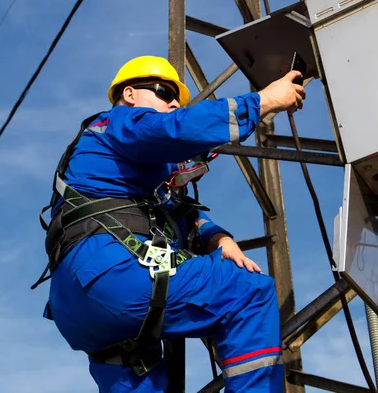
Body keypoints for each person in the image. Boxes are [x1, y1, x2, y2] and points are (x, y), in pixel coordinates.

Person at [38, 55, 305, 393]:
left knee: (139, 372)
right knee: (249, 291)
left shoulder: (117, 167)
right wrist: (264, 101)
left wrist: (219, 238)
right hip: (112, 274)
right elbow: (175, 128)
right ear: (130, 94)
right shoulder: (120, 121)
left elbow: (175, 211)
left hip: (77, 306)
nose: (175, 102)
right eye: (165, 92)